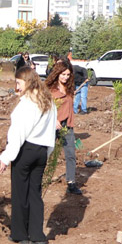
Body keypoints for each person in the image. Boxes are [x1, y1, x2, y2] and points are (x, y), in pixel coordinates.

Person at [0, 66, 58, 244]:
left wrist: (6, 157)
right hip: (41, 151)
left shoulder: (27, 103)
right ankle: (38, 236)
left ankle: (20, 234)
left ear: (27, 81)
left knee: (20, 193)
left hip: (25, 150)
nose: (17, 87)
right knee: (35, 193)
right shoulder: (48, 101)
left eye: (18, 83)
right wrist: (47, 152)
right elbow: (51, 130)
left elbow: (18, 133)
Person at [46, 61, 80, 195]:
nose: (65, 77)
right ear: (57, 74)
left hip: (67, 126)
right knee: (46, 152)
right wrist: (53, 120)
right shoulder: (49, 89)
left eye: (68, 75)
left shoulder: (70, 88)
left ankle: (71, 182)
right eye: (63, 74)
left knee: (71, 154)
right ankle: (40, 177)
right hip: (52, 125)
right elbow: (44, 108)